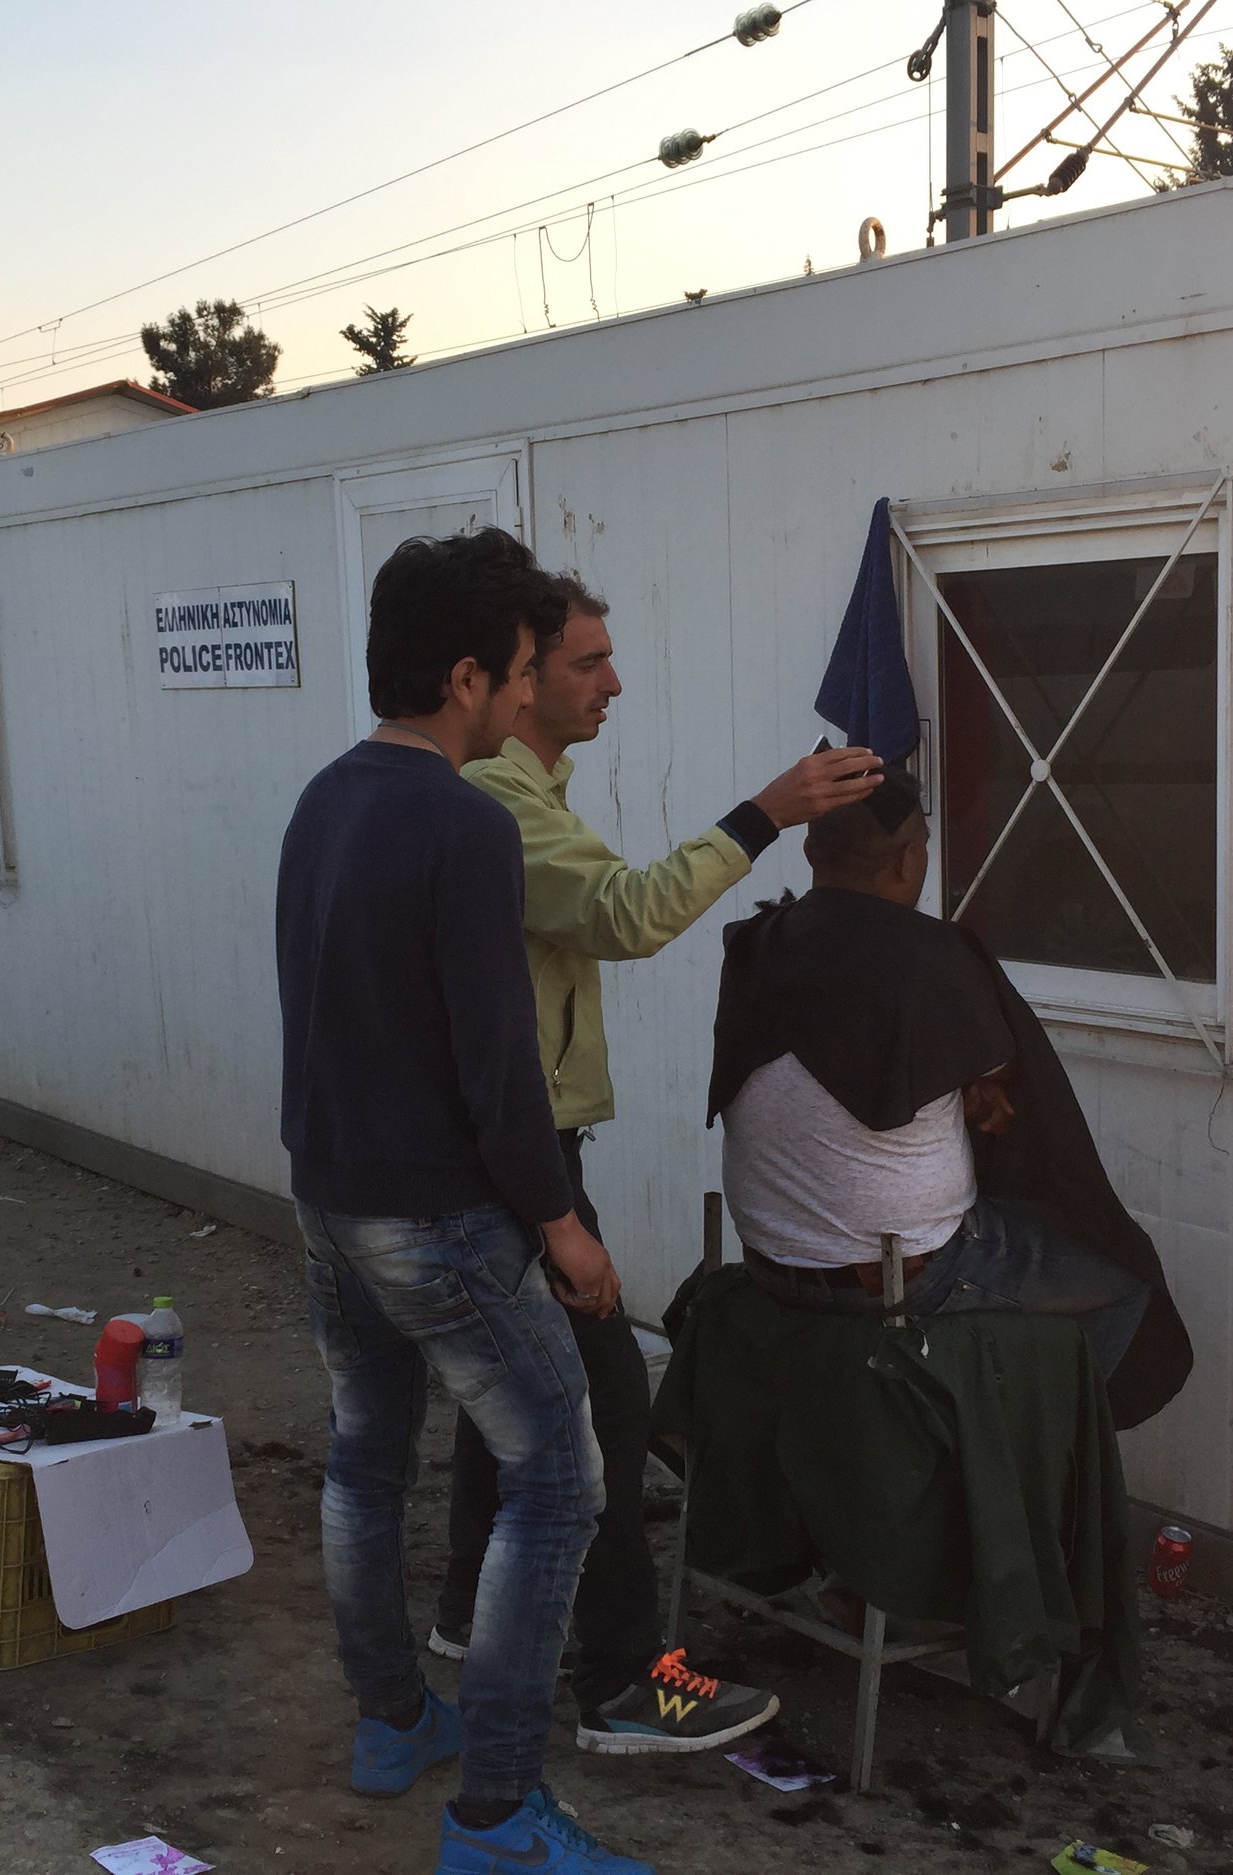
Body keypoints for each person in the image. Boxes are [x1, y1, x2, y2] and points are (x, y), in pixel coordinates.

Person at [431, 571, 887, 1756]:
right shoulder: (497, 802)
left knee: (510, 1399)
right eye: (587, 663)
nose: (613, 683)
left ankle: (460, 1616)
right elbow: (626, 916)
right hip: (519, 1156)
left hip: (515, 1146)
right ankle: (626, 1687)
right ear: (519, 678)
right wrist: (765, 812)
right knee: (600, 1402)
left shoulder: (529, 789)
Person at [276, 529, 650, 1875]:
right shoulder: (469, 819)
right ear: (468, 674)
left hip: (328, 1192)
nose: (518, 697)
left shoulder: (325, 796)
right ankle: (496, 1811)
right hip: (437, 1214)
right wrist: (558, 1221)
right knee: (561, 1474)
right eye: (511, 670)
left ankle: (394, 1718)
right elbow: (499, 1060)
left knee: (370, 1453)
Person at [707, 766, 1195, 1421]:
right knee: (1128, 1287)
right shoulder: (932, 955)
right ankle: (1024, 1453)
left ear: (808, 851)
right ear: (910, 860)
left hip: (768, 1260)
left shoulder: (755, 945)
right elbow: (1003, 1072)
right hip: (909, 1270)